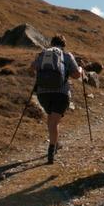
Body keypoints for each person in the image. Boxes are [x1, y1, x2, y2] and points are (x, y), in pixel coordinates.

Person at [31, 35, 82, 164]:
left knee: (51, 119)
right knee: (54, 122)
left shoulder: (42, 54)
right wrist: (80, 69)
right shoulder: (67, 56)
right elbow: (76, 75)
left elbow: (32, 68)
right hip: (61, 93)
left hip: (43, 94)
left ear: (51, 43)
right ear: (63, 45)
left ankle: (56, 143)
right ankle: (51, 150)